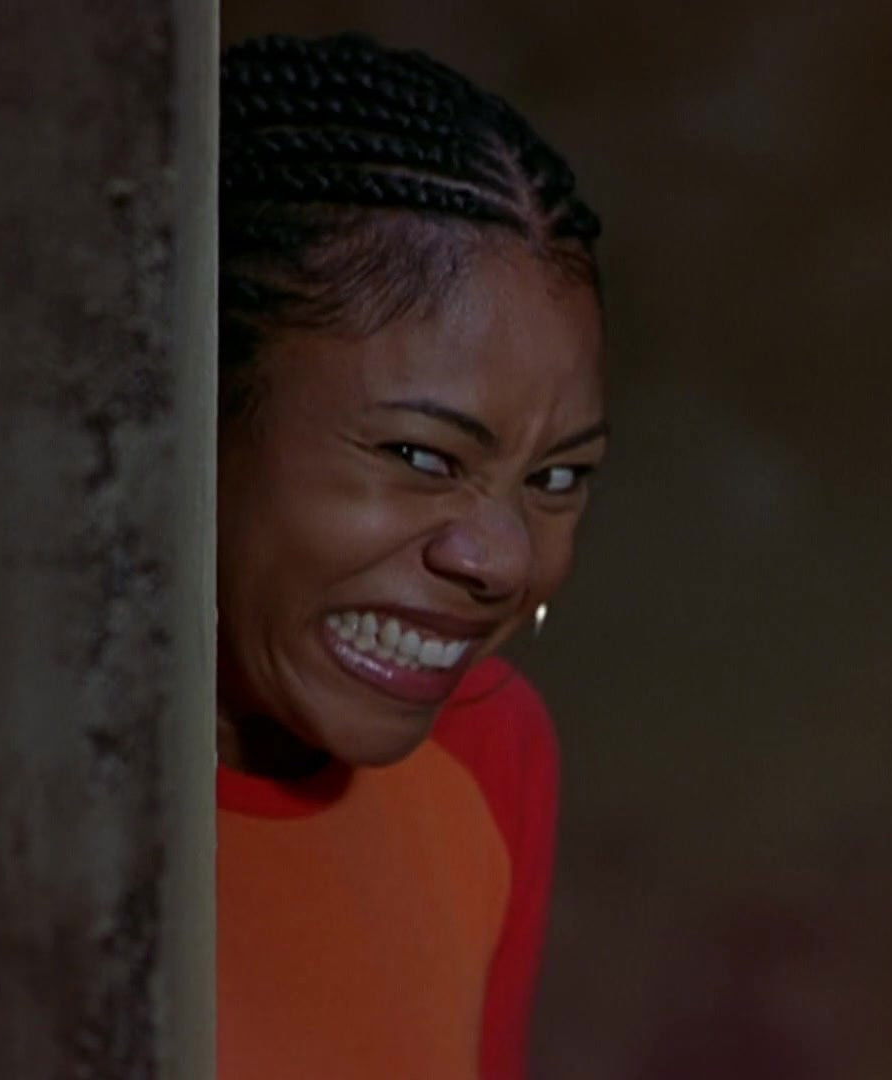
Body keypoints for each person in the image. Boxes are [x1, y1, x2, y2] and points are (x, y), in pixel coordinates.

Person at [214, 32, 608, 1079]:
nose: (505, 561)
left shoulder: (488, 750)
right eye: (422, 457)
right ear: (193, 414)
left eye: (558, 477)